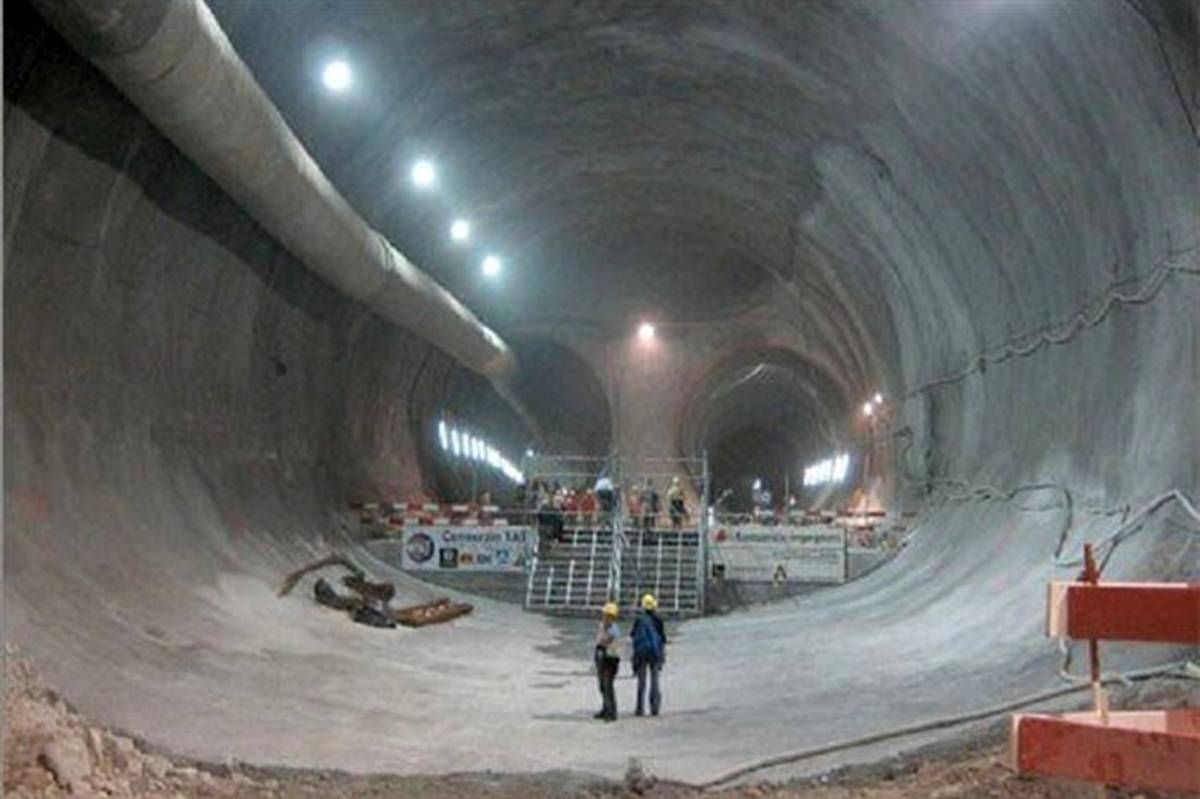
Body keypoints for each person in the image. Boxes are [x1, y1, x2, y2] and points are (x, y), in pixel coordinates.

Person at [630, 593, 666, 716]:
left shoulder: (639, 620)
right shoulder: (658, 620)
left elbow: (633, 635)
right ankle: (654, 707)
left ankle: (640, 708)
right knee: (655, 680)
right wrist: (662, 654)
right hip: (654, 653)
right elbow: (662, 638)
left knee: (641, 681)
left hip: (641, 653)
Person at [593, 602, 621, 721]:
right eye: (604, 615)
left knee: (608, 685)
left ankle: (611, 712)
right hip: (602, 658)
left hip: (611, 659)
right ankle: (605, 709)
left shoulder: (614, 629)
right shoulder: (602, 626)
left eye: (608, 616)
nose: (605, 618)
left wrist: (601, 643)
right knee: (602, 686)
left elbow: (604, 641)